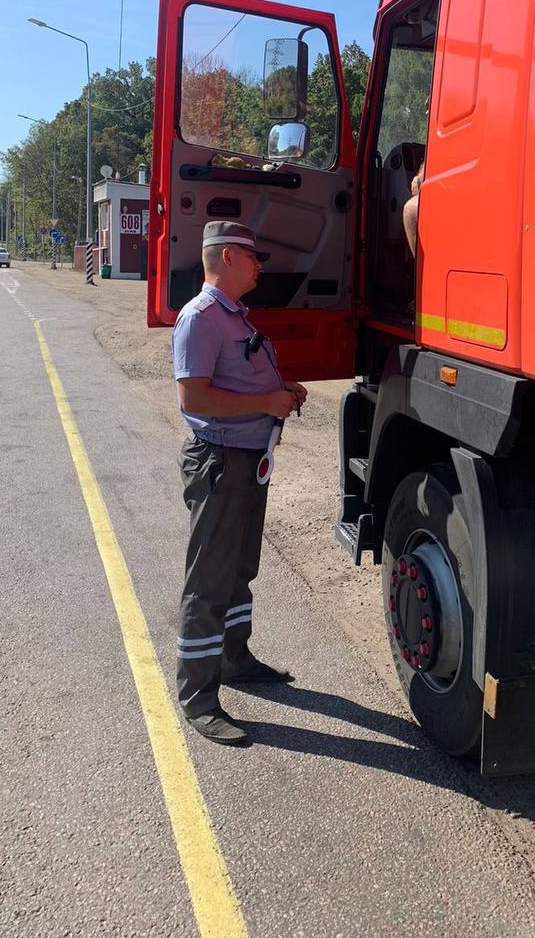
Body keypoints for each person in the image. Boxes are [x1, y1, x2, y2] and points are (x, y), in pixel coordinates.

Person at [172, 220, 307, 746]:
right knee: (208, 581)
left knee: (239, 570)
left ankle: (234, 658)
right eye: (253, 257)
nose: (259, 266)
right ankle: (199, 697)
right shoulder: (201, 318)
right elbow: (194, 400)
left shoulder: (232, 317)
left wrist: (279, 389)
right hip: (220, 461)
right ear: (227, 257)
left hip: (247, 460)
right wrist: (264, 403)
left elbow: (237, 377)